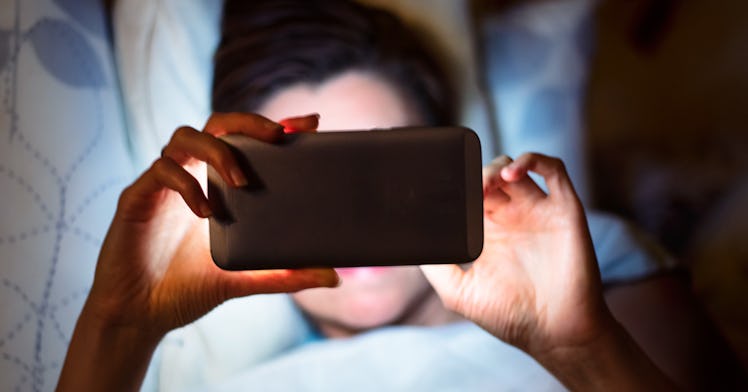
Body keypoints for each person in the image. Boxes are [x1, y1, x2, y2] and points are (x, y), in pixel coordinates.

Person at [58, 0, 743, 390]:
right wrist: (118, 328)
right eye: (313, 176)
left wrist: (584, 347)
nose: (354, 217)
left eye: (380, 168)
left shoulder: (594, 274)